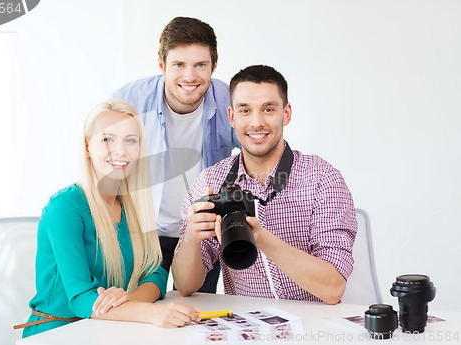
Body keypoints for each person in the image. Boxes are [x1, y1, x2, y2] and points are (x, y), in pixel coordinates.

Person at [172, 65, 357, 304]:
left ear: (286, 113)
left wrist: (262, 239)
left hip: (313, 325)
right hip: (246, 327)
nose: (256, 122)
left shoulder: (322, 178)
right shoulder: (211, 181)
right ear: (232, 117)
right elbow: (185, 287)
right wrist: (192, 238)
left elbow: (333, 289)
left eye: (268, 109)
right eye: (245, 110)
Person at [19, 100, 198, 337]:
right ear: (87, 147)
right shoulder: (64, 207)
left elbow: (156, 272)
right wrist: (150, 313)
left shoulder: (133, 206)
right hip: (57, 334)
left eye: (130, 140)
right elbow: (81, 298)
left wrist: (129, 299)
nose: (120, 150)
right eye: (107, 139)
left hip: (109, 329)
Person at [112, 17, 239, 293]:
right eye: (179, 65)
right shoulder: (129, 101)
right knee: (138, 318)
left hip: (202, 230)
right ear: (162, 65)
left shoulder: (229, 99)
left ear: (213, 66)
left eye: (200, 65)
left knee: (198, 315)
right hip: (141, 233)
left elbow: (258, 150)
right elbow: (102, 162)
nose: (190, 76)